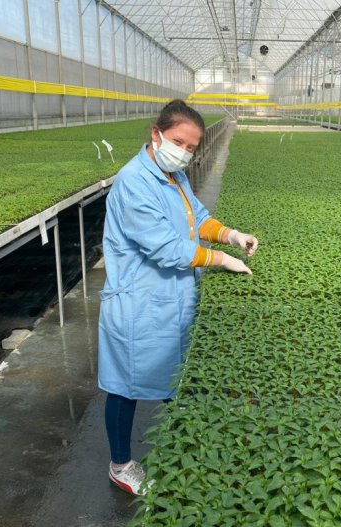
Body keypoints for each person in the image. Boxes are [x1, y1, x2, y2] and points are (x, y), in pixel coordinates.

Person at [98, 100, 258, 495]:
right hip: (138, 302)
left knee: (175, 376)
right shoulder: (134, 181)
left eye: (191, 147)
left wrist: (230, 234)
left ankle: (181, 447)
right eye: (178, 142)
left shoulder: (173, 175)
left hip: (171, 297)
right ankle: (120, 465)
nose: (185, 152)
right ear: (156, 134)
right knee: (125, 383)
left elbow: (198, 216)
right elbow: (167, 249)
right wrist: (221, 259)